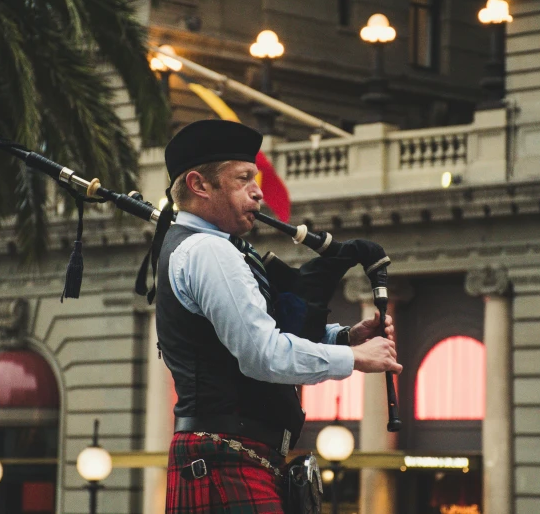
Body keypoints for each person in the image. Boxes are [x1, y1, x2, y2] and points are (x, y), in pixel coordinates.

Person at [156, 119, 402, 514]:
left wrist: (342, 338)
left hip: (227, 457)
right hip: (224, 458)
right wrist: (355, 359)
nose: (258, 193)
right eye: (242, 180)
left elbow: (255, 336)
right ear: (200, 185)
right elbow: (262, 355)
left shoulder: (203, 247)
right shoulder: (209, 251)